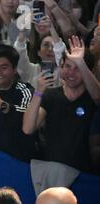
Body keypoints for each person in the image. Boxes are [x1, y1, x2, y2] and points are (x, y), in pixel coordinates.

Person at [23, 35, 100, 173]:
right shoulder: (50, 95)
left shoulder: (92, 98)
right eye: (67, 66)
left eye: (77, 69)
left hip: (85, 174)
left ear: (88, 71)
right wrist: (38, 91)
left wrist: (81, 62)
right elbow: (28, 128)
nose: (71, 72)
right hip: (52, 170)